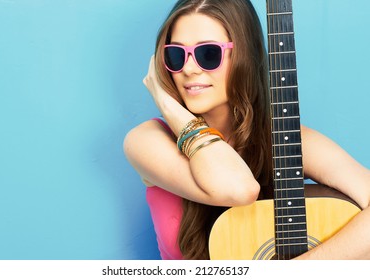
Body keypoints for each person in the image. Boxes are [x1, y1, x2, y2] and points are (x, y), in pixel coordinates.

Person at [123, 0, 370, 260]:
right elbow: (239, 189)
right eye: (175, 55)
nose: (188, 69)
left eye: (208, 54)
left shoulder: (285, 140)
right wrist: (166, 102)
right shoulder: (147, 141)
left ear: (244, 56)